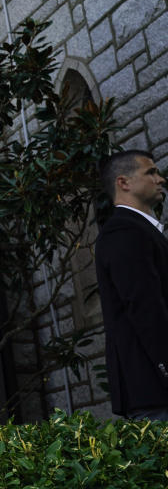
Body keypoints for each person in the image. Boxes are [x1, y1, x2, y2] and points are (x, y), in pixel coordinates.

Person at [95, 149, 168, 421]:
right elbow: (145, 308)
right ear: (123, 183)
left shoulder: (142, 230)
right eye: (150, 172)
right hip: (154, 389)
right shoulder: (125, 231)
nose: (159, 179)